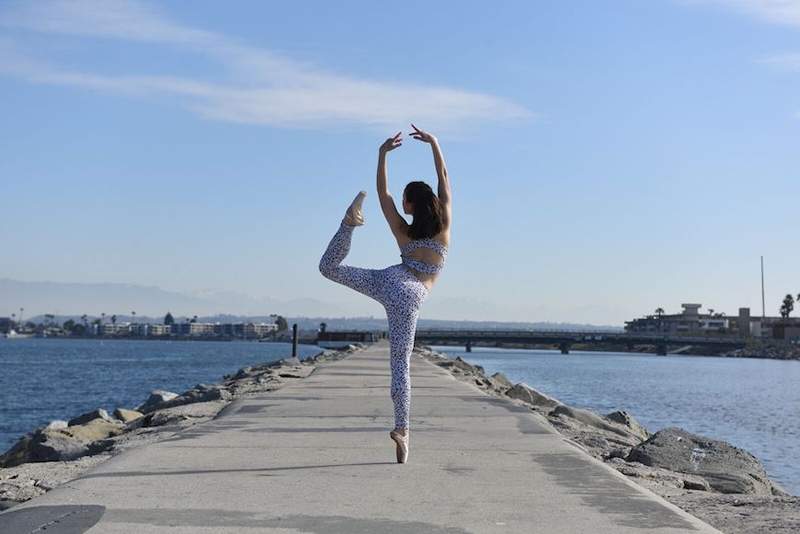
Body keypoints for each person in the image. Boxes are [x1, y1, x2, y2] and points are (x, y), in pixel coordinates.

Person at [319, 124, 451, 464]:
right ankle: (402, 430)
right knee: (400, 365)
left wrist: (382, 155)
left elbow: (383, 194)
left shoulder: (402, 231)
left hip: (389, 279)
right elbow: (444, 180)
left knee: (329, 268)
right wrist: (435, 143)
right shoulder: (444, 229)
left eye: (405, 200)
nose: (401, 203)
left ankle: (349, 223)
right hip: (410, 295)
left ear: (410, 203)